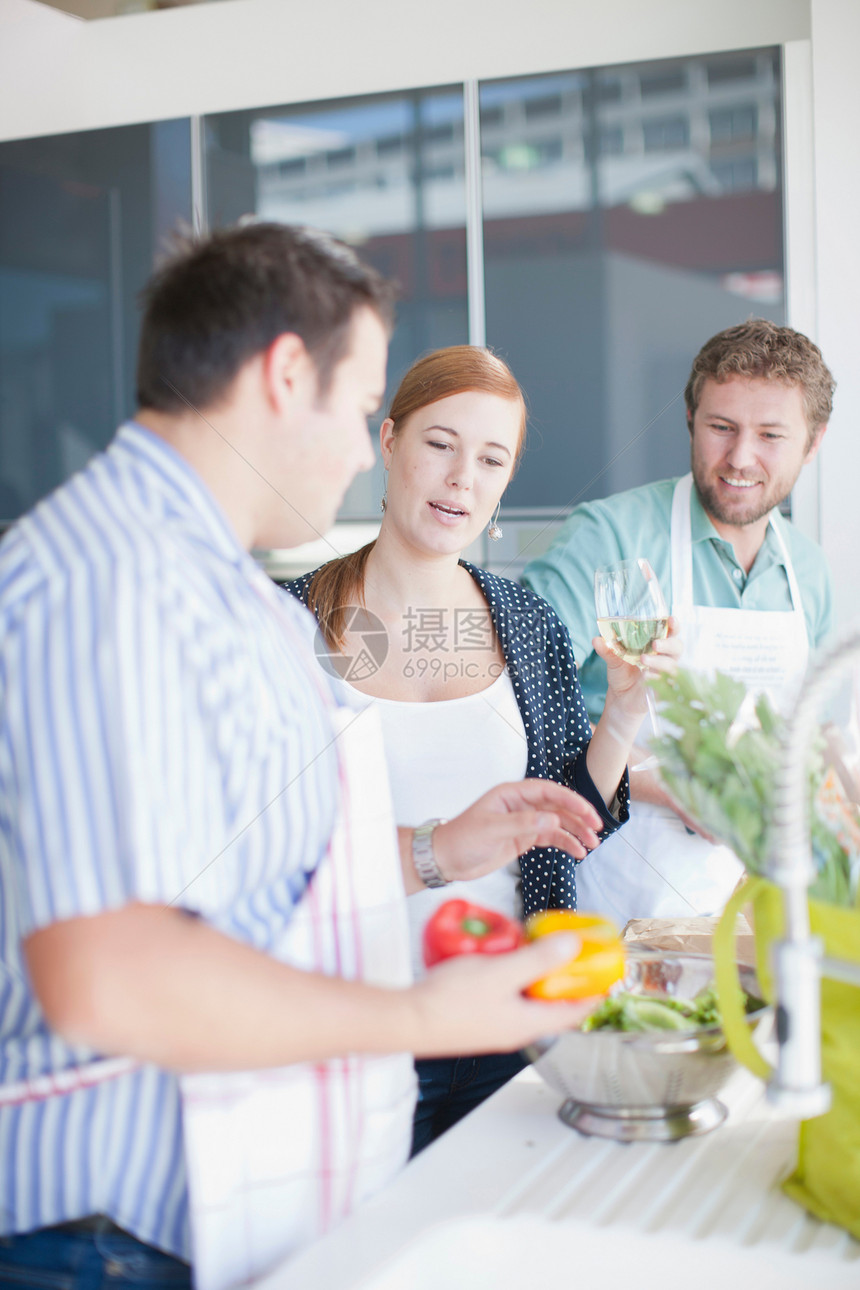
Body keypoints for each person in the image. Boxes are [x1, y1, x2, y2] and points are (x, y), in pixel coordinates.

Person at [0, 224, 628, 1290]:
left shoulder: (219, 592)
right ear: (285, 375)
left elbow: (243, 882)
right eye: (363, 407)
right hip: (100, 1242)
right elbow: (106, 973)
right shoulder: (107, 586)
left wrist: (437, 847)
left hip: (208, 1218)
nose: (360, 445)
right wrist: (422, 1018)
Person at [284, 344, 679, 1153]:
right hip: (345, 1028)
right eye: (441, 444)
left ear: (503, 485)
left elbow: (570, 814)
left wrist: (625, 716)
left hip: (508, 1023)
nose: (463, 476)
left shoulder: (526, 622)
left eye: (491, 459)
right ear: (388, 443)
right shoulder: (286, 622)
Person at [523, 318, 836, 927]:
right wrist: (672, 787)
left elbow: (818, 736)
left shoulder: (809, 573)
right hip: (615, 903)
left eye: (771, 435)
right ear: (691, 419)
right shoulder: (608, 537)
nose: (739, 458)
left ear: (813, 441)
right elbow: (520, 712)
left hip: (756, 915)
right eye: (721, 427)